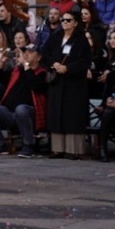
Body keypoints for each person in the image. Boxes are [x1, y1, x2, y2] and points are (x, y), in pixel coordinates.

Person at [43, 11, 92, 159]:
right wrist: (54, 64)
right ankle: (57, 149)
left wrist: (68, 68)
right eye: (63, 19)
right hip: (57, 81)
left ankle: (74, 150)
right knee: (57, 113)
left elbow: (84, 61)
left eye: (68, 20)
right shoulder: (55, 37)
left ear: (76, 22)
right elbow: (45, 54)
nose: (64, 22)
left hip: (74, 83)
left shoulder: (81, 39)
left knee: (72, 115)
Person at [0, 46, 48, 157]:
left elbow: (35, 85)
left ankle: (28, 145)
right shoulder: (17, 70)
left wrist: (26, 65)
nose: (26, 54)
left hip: (31, 113)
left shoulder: (42, 72)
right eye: (25, 52)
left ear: (39, 57)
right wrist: (0, 63)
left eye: (30, 52)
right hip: (10, 112)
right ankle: (0, 145)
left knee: (21, 109)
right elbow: (0, 79)